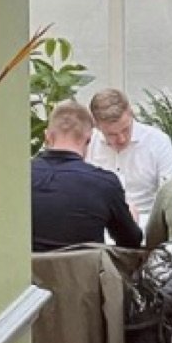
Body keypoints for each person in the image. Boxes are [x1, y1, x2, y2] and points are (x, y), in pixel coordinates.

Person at [31, 101, 142, 252]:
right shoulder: (105, 184)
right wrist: (132, 219)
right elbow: (131, 243)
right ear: (89, 139)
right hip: (85, 274)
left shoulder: (18, 178)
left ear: (47, 137)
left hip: (25, 274)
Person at [86, 88, 172, 219]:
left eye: (126, 129)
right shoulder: (88, 143)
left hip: (146, 224)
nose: (121, 139)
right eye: (111, 134)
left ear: (130, 113)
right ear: (96, 125)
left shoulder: (158, 142)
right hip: (99, 224)